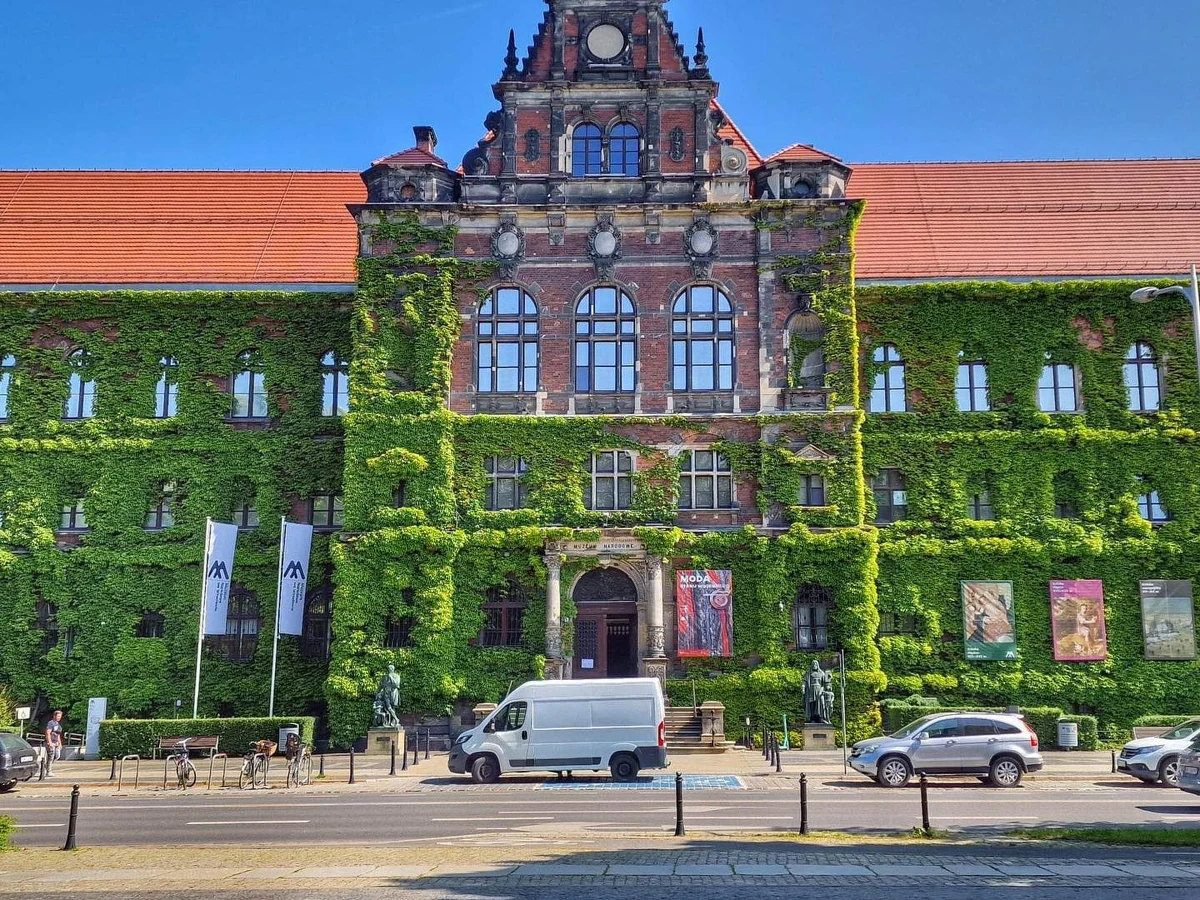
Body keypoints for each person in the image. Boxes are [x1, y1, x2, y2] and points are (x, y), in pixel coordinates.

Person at [44, 710, 64, 777]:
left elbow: (58, 735)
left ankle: (46, 765)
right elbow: (47, 733)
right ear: (54, 716)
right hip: (50, 742)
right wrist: (49, 742)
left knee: (57, 756)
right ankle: (48, 771)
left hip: (56, 743)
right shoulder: (51, 723)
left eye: (60, 716)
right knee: (51, 757)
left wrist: (60, 743)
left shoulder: (58, 724)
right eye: (58, 716)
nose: (59, 717)